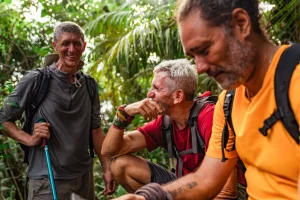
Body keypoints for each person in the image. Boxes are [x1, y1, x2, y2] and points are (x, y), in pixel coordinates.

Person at [112, 0, 299, 199]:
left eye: (205, 50)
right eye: (193, 56)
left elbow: (227, 191)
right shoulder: (228, 102)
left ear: (241, 23)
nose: (200, 68)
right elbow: (206, 180)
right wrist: (147, 197)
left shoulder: (294, 79)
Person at [0, 22, 116, 199]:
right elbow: (3, 120)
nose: (72, 49)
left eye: (77, 43)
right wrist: (30, 139)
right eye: (65, 43)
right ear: (55, 46)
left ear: (84, 46)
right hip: (47, 180)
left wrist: (107, 168)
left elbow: (96, 131)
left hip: (84, 178)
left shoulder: (89, 85)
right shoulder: (36, 80)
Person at [102, 59, 239, 199]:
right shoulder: (165, 122)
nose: (149, 94)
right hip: (185, 188)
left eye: (156, 88)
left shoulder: (209, 116)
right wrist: (125, 113)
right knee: (120, 165)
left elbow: (227, 191)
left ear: (178, 96)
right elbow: (109, 151)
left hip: (214, 191)